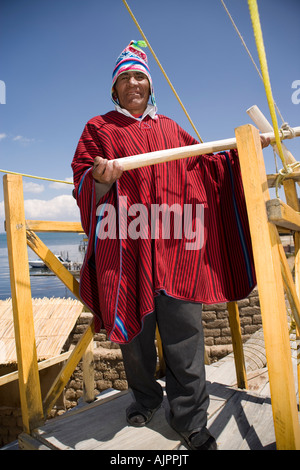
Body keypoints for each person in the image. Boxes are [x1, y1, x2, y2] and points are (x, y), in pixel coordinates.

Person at [72, 40, 269, 450]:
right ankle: (144, 398)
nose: (133, 83)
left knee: (185, 338)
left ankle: (192, 420)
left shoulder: (172, 130)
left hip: (178, 249)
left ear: (149, 84)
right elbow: (83, 177)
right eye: (124, 78)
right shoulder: (99, 128)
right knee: (135, 340)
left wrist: (245, 151)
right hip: (126, 249)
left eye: (139, 76)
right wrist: (101, 179)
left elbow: (208, 167)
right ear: (115, 89)